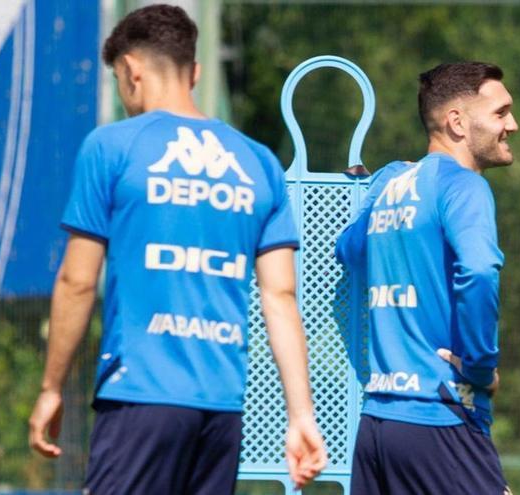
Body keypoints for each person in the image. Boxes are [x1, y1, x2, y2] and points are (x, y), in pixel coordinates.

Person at [27, 5, 326, 494]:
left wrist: (51, 388)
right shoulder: (260, 163)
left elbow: (78, 282)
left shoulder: (112, 146)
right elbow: (280, 298)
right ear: (196, 72)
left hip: (138, 398)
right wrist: (301, 415)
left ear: (131, 71)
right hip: (223, 409)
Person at [335, 62, 518, 494]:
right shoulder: (464, 186)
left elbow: (348, 250)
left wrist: (381, 184)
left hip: (378, 427)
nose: (513, 124)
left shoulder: (393, 184)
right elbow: (478, 270)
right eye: (500, 112)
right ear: (457, 122)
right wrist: (478, 366)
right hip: (440, 418)